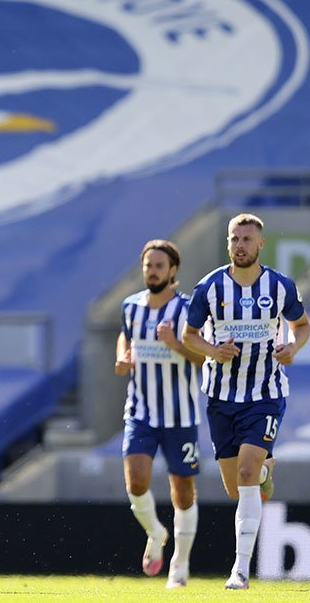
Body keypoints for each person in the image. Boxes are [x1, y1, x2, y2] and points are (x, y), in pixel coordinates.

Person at [182, 214, 310, 590]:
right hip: (221, 396)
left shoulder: (280, 285)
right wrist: (212, 350)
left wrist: (292, 347)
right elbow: (189, 336)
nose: (240, 245)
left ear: (260, 244)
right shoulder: (209, 287)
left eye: (246, 239)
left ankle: (240, 569)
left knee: (246, 473)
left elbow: (301, 325)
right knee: (235, 488)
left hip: (265, 395)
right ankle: (266, 472)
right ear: (228, 244)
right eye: (234, 239)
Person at [114, 240, 206, 589]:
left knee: (182, 491)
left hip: (180, 415)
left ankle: (179, 565)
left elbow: (205, 357)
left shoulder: (187, 310)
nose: (151, 271)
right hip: (141, 411)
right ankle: (156, 532)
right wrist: (123, 356)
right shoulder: (131, 306)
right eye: (147, 265)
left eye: (158, 265)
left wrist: (176, 345)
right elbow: (126, 336)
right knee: (136, 482)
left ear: (173, 271)